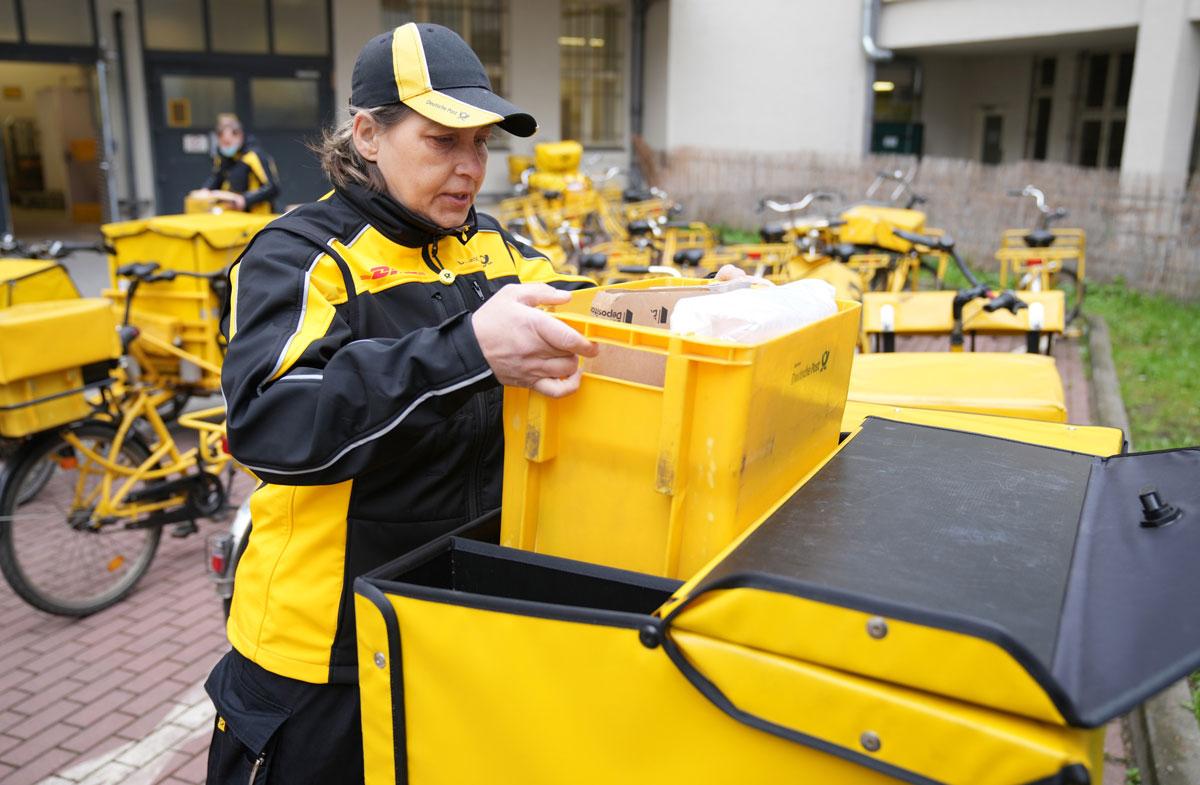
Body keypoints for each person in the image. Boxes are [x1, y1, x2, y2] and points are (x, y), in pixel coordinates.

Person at [203, 23, 600, 784]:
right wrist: (467, 351)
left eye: (481, 143)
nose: (470, 169)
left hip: (448, 631)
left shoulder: (500, 252)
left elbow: (597, 314)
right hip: (323, 663)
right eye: (443, 140)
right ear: (367, 134)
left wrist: (700, 305)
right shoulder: (300, 254)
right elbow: (269, 421)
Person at [190, 113, 281, 213]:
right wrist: (206, 190)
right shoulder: (222, 157)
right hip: (233, 216)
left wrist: (245, 199)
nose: (225, 147)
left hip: (258, 216)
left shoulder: (253, 155)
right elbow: (217, 177)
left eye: (228, 143)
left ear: (239, 136)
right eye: (222, 143)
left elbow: (272, 188)